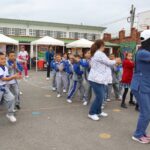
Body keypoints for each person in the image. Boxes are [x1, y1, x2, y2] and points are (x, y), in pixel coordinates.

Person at [88, 40, 121, 121]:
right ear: (101, 46)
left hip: (100, 79)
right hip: (96, 79)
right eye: (104, 45)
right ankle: (91, 113)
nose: (104, 47)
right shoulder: (98, 53)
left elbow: (107, 63)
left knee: (101, 96)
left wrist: (115, 62)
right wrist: (116, 60)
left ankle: (98, 111)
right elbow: (108, 62)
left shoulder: (100, 53)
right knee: (100, 96)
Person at [131, 30, 150, 144]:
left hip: (145, 85)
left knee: (147, 112)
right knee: (146, 112)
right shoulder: (142, 53)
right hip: (140, 86)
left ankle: (142, 132)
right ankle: (137, 135)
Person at [0, 52, 22, 123]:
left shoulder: (5, 68)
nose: (3, 60)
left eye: (4, 58)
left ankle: (10, 114)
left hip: (4, 87)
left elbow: (7, 77)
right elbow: (3, 79)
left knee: (12, 97)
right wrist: (13, 76)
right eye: (1, 59)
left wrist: (16, 77)